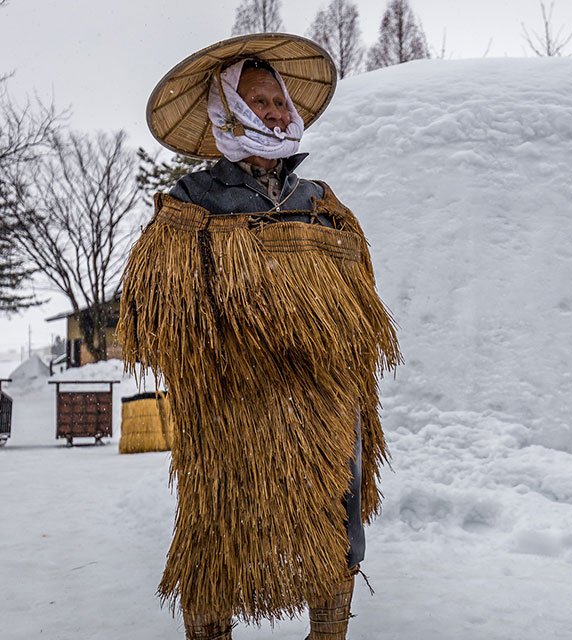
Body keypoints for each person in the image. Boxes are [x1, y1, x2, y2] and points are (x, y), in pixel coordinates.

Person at [119, 34, 400, 640]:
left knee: (333, 518)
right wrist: (249, 334)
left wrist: (330, 336)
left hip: (323, 402)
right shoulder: (191, 204)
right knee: (219, 529)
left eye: (280, 102)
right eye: (258, 101)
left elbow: (361, 305)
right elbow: (154, 313)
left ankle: (328, 632)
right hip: (233, 408)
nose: (275, 112)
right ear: (227, 114)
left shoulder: (321, 202)